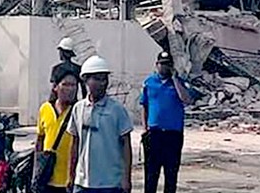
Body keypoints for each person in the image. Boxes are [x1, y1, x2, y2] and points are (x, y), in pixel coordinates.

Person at [66, 55, 134, 193]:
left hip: (110, 183)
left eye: (104, 79)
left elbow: (126, 145)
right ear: (85, 80)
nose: (102, 83)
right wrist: (71, 175)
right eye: (97, 79)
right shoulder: (78, 108)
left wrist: (126, 178)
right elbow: (74, 143)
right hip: (82, 182)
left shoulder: (117, 110)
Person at [140, 51, 194, 193]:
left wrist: (175, 79)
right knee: (151, 174)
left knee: (171, 174)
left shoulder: (179, 83)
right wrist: (145, 128)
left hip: (173, 135)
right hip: (154, 134)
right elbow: (144, 106)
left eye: (168, 65)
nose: (165, 68)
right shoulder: (149, 82)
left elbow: (186, 99)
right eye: (162, 64)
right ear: (157, 65)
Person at [35, 69, 78, 193]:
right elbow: (40, 140)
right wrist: (37, 171)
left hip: (71, 180)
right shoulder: (45, 109)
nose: (70, 89)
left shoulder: (78, 110)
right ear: (55, 87)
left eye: (73, 85)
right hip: (47, 177)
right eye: (65, 84)